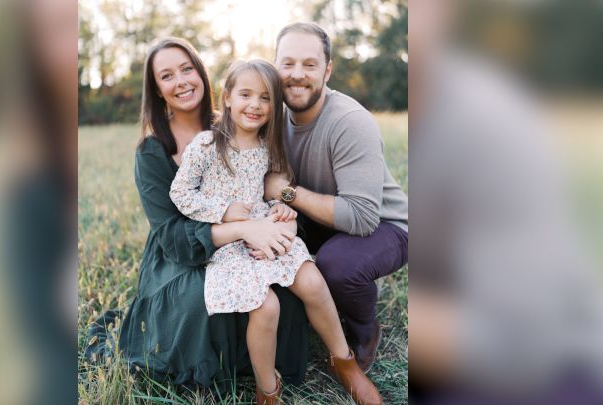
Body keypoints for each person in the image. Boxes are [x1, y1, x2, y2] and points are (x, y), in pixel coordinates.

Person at [83, 38, 309, 396]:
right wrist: (244, 230)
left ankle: (268, 366)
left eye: (187, 69)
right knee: (197, 302)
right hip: (181, 251)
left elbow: (268, 180)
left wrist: (279, 214)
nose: (181, 81)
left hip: (247, 237)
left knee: (284, 284)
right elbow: (171, 234)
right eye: (167, 76)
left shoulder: (236, 123)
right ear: (157, 90)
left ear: (202, 74)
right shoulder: (152, 151)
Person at [170, 59, 382, 405]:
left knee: (313, 282)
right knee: (265, 307)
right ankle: (268, 391)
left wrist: (282, 210)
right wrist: (223, 211)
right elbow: (180, 193)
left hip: (267, 232)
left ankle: (345, 363)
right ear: (227, 97)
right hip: (229, 243)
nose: (255, 104)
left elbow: (271, 194)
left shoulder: (269, 147)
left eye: (265, 98)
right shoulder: (206, 145)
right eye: (246, 94)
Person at [264, 22, 409, 377]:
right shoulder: (269, 115)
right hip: (317, 218)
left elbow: (361, 218)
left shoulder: (350, 121)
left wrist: (286, 193)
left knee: (339, 265)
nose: (297, 74)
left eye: (310, 64)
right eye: (288, 63)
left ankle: (364, 332)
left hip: (384, 224)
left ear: (327, 70)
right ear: (275, 66)